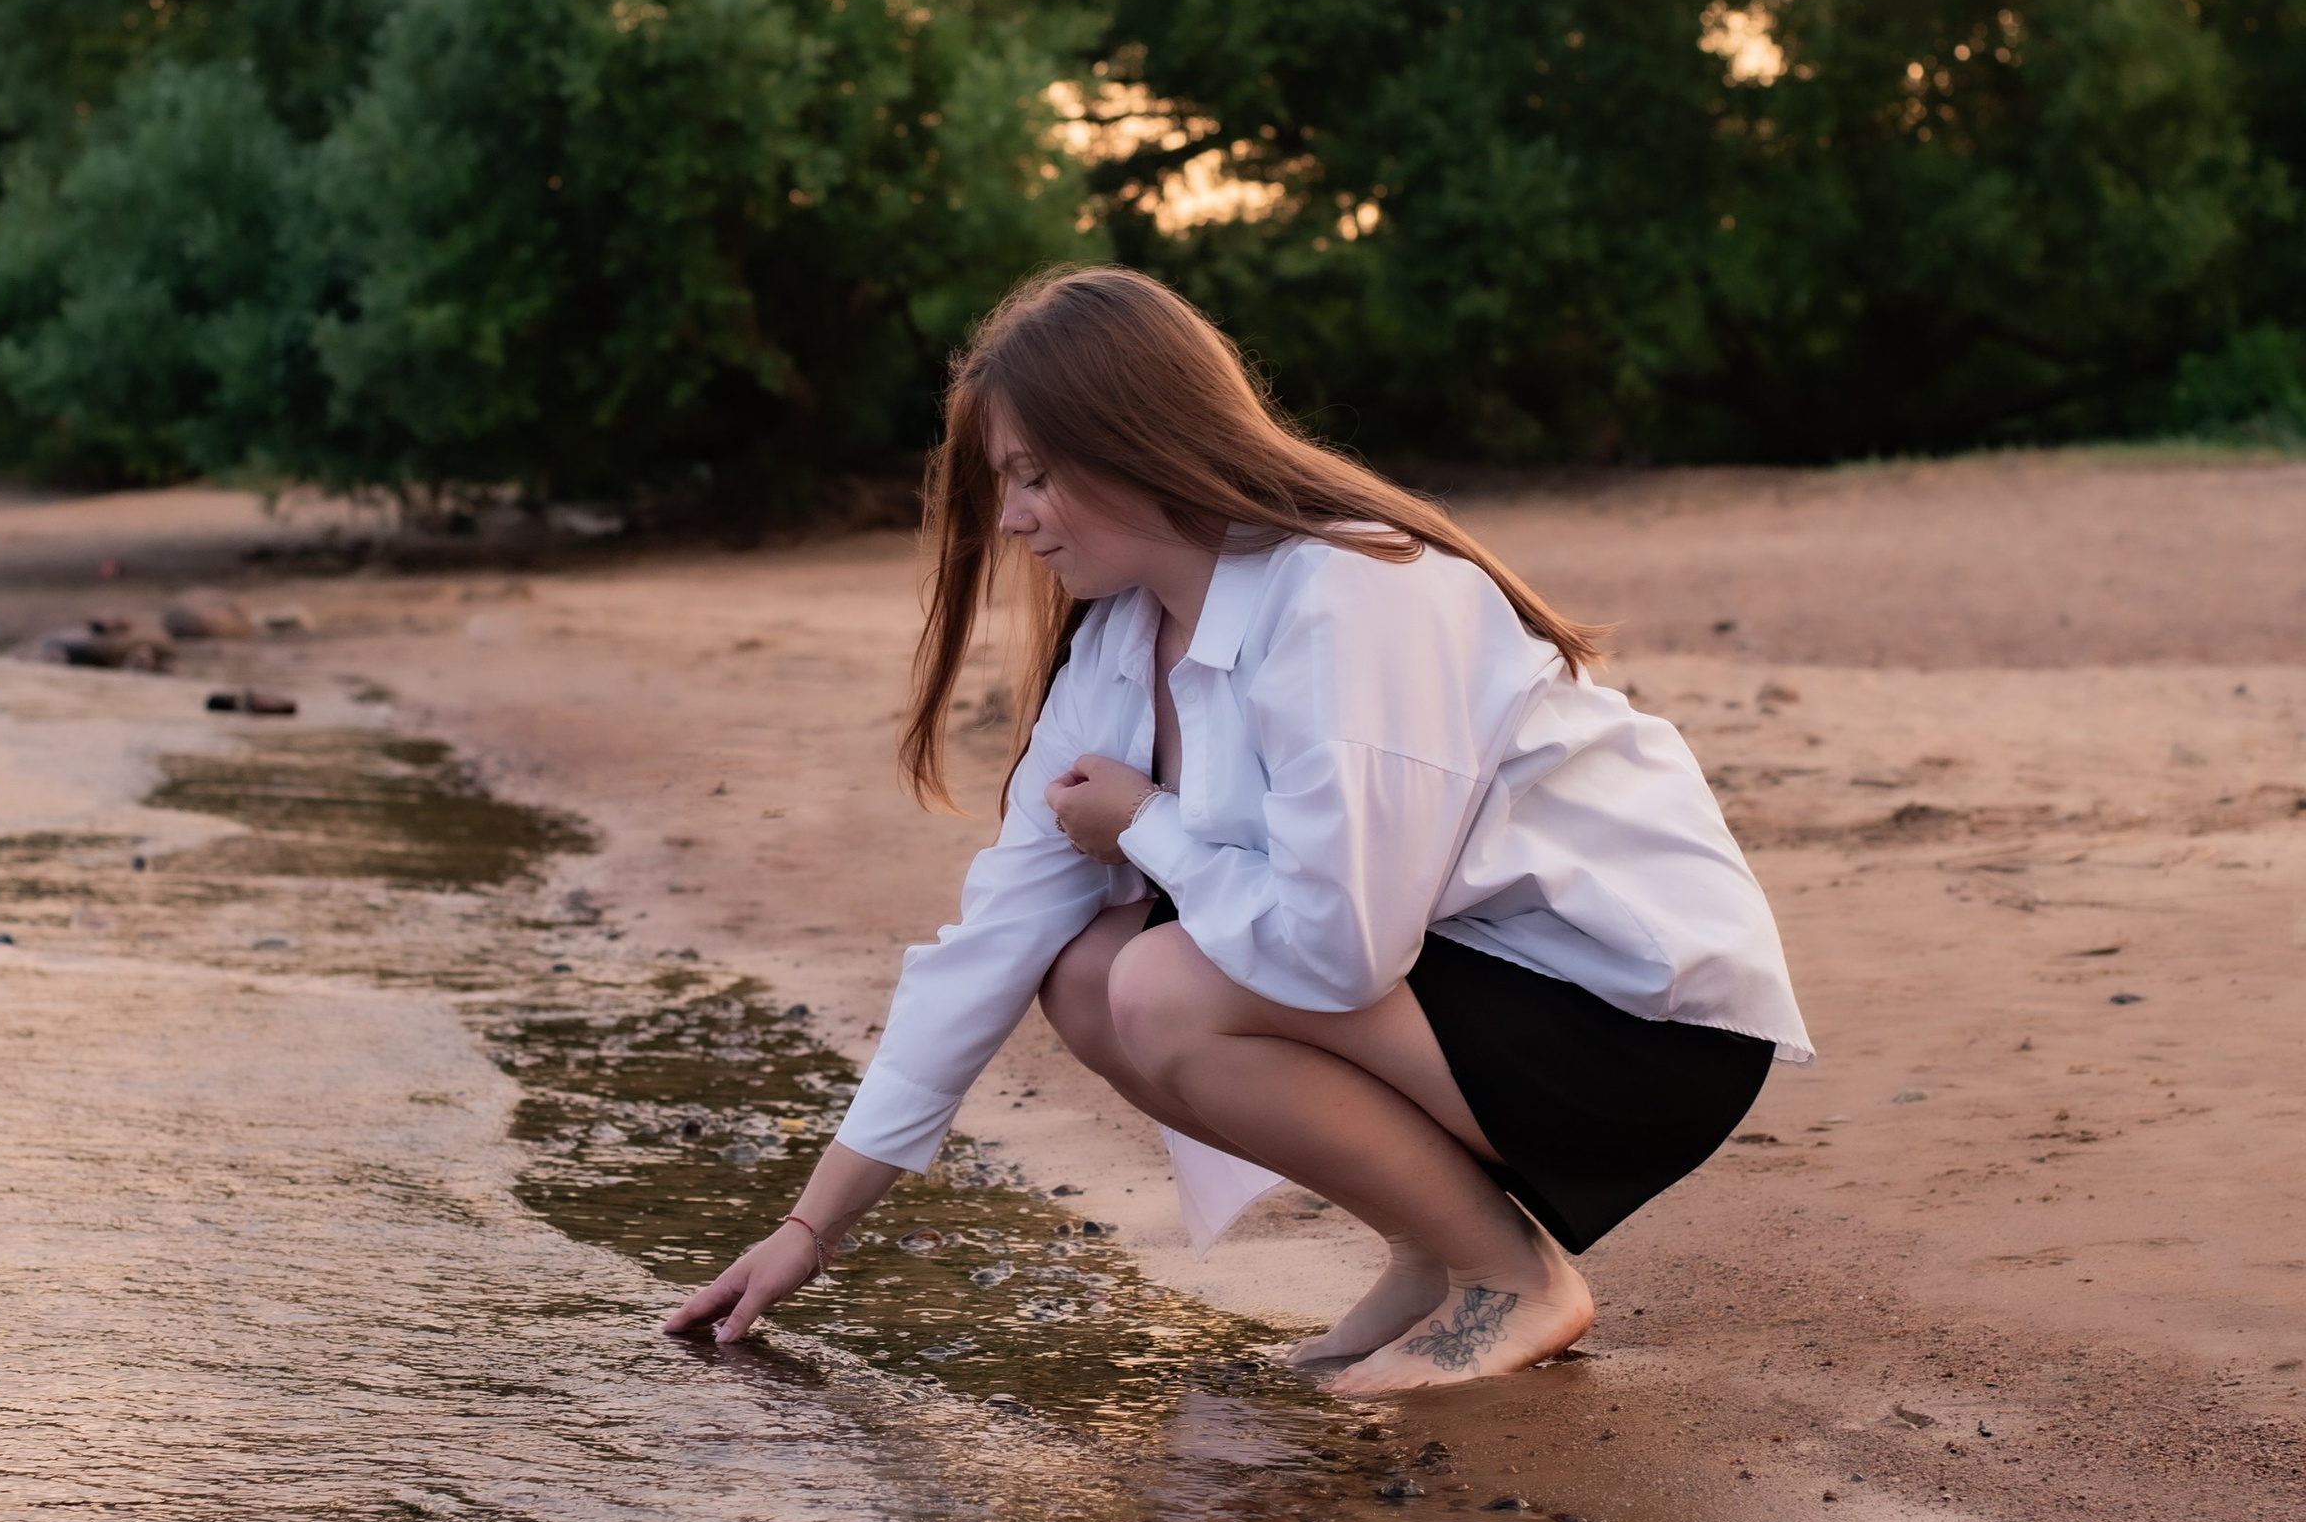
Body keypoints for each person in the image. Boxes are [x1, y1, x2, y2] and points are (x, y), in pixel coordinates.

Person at [664, 267, 1811, 1396]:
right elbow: (987, 947)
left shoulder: (1345, 592)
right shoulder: (1118, 647)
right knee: (1077, 970)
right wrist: (810, 1229)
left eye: (1029, 475)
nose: (1011, 518)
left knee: (1159, 981)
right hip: (1469, 985)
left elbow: (1339, 950)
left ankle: (1510, 1278)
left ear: (1130, 439)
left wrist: (1148, 825)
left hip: (1634, 1019)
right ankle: (1431, 1252)